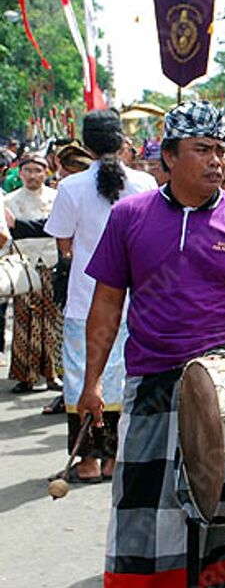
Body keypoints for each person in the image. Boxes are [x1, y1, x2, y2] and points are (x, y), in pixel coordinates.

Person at [79, 101, 225, 588]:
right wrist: (91, 384)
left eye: (221, 150)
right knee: (145, 516)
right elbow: (107, 306)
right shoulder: (130, 216)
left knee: (218, 521)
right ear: (170, 158)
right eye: (203, 150)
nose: (217, 160)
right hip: (152, 386)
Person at [45, 109, 157, 479]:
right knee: (124, 375)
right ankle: (115, 457)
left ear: (86, 144)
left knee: (80, 376)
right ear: (121, 141)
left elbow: (65, 245)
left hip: (85, 297)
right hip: (134, 297)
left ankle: (88, 459)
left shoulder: (71, 187)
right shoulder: (144, 185)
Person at [5, 153, 63, 394]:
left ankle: (52, 375)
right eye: (27, 171)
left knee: (51, 320)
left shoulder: (57, 198)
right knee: (23, 320)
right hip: (23, 267)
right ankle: (25, 376)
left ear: (46, 173)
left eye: (38, 171)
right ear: (20, 173)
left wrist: (21, 227)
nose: (32, 176)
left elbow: (56, 230)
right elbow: (7, 235)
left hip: (50, 265)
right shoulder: (9, 201)